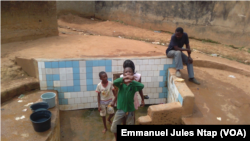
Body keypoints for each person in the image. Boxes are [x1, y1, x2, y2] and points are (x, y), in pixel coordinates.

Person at [110, 66, 144, 141]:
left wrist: (132, 80)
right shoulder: (121, 84)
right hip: (120, 109)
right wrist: (124, 79)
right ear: (123, 74)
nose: (128, 73)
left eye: (130, 72)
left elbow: (141, 86)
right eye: (126, 72)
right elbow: (114, 82)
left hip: (130, 110)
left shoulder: (134, 85)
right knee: (114, 127)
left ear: (133, 74)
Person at [119, 60, 144, 124]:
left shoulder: (137, 76)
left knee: (130, 114)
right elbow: (120, 89)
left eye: (129, 70)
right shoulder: (122, 77)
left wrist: (142, 99)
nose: (128, 72)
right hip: (126, 97)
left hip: (132, 97)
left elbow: (140, 88)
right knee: (126, 115)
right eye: (126, 70)